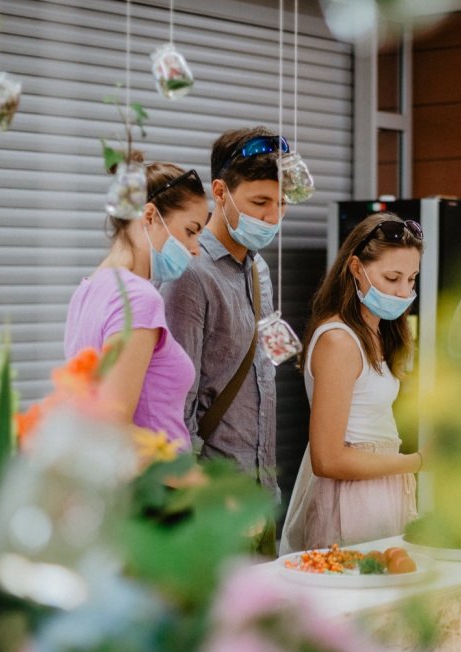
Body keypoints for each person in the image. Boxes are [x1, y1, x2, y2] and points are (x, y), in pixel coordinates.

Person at [280, 212, 425, 554]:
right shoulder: (339, 341)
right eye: (392, 278)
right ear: (356, 268)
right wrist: (418, 461)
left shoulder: (378, 333)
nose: (404, 292)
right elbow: (328, 459)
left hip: (380, 489)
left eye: (412, 279)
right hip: (352, 500)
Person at [161, 127, 286, 501]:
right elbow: (176, 400)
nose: (272, 217)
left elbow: (262, 371)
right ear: (219, 192)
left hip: (260, 492)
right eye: (260, 201)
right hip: (214, 503)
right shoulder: (191, 272)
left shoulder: (258, 268)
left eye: (282, 204)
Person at [64, 155, 207, 448]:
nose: (195, 250)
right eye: (190, 231)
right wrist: (198, 482)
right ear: (150, 216)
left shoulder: (88, 290)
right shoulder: (138, 298)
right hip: (154, 488)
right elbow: (115, 428)